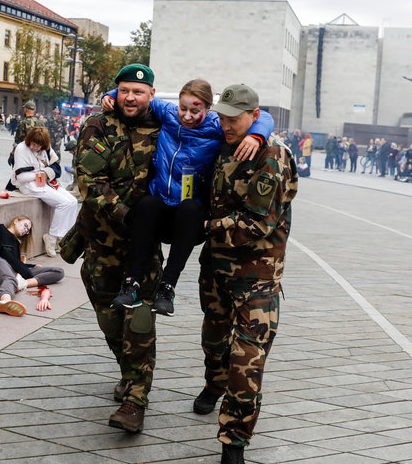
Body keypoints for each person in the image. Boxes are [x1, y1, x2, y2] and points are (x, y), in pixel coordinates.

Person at [100, 78, 273, 316]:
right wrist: (109, 94)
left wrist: (256, 136)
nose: (188, 116)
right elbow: (138, 94)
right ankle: (132, 284)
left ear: (208, 109)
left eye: (195, 110)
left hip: (188, 216)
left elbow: (262, 117)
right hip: (159, 205)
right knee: (146, 204)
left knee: (191, 209)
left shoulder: (216, 125)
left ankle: (167, 287)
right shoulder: (169, 113)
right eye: (184, 108)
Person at [195, 84, 298, 464]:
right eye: (221, 116)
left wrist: (203, 226)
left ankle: (234, 442)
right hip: (216, 272)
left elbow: (257, 223)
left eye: (234, 118)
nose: (225, 124)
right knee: (213, 340)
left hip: (257, 279)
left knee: (246, 361)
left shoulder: (272, 157)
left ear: (255, 116)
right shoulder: (222, 146)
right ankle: (212, 385)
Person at [61, 63, 162, 434]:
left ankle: (135, 400)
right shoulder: (97, 126)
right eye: (124, 91)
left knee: (138, 320)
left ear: (151, 94)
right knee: (108, 319)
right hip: (101, 245)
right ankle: (129, 372)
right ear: (116, 93)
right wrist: (125, 213)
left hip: (143, 248)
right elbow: (88, 180)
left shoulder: (165, 128)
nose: (130, 97)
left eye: (138, 91)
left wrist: (260, 133)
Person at [10, 126, 77, 257]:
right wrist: (41, 173)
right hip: (29, 186)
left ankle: (62, 238)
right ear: (29, 140)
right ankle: (51, 238)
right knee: (64, 203)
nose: (35, 147)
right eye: (33, 144)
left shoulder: (46, 149)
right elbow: (22, 177)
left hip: (44, 182)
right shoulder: (21, 149)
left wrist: (44, 173)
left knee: (73, 201)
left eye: (38, 145)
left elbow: (56, 167)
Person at [0, 215, 64, 316]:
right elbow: (4, 253)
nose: (26, 230)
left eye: (28, 230)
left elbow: (15, 261)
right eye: (25, 225)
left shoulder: (16, 242)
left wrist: (32, 266)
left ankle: (22, 284)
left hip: (13, 268)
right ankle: (5, 301)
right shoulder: (1, 229)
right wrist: (26, 271)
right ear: (16, 221)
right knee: (10, 279)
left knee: (58, 272)